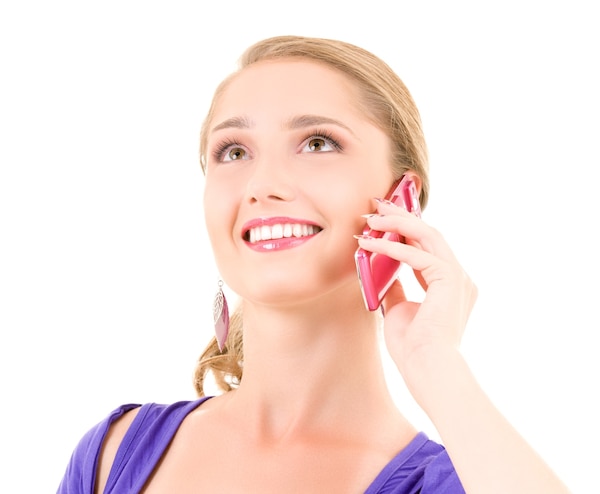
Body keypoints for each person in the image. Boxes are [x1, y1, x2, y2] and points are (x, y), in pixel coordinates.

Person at [57, 35, 570, 493]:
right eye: (233, 152)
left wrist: (436, 365)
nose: (262, 186)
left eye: (318, 143)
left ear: (402, 199)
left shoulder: (452, 482)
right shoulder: (111, 456)